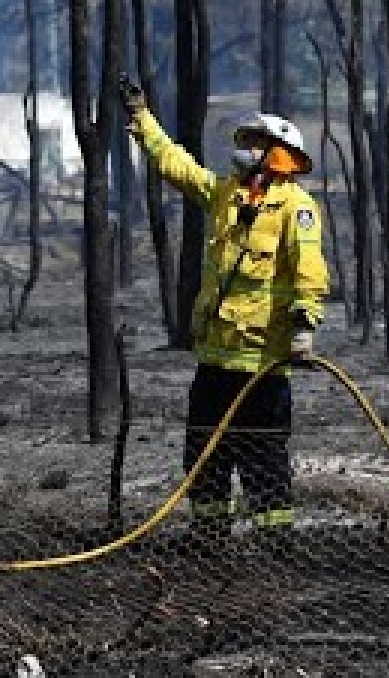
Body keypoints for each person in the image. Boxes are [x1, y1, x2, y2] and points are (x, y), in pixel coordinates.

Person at [120, 76, 328, 534]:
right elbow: (176, 165)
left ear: (277, 153)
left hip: (263, 364)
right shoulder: (224, 197)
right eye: (246, 141)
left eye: (255, 142)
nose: (246, 149)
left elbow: (309, 273)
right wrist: (142, 119)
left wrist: (303, 327)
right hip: (215, 358)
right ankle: (208, 541)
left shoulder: (297, 208)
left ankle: (276, 546)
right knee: (203, 452)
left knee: (263, 455)